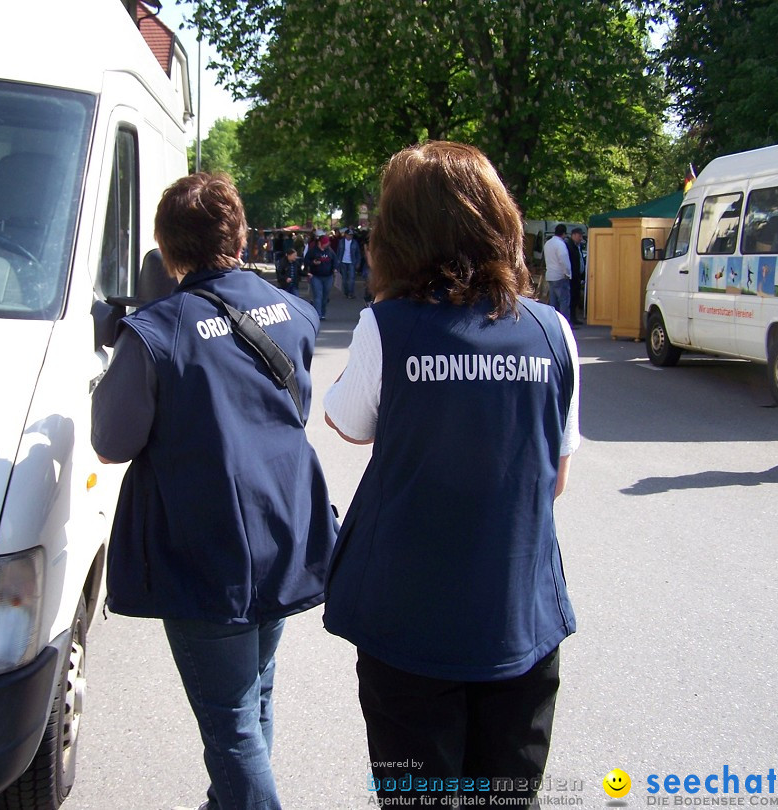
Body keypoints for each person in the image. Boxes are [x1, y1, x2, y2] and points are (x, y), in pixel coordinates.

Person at [322, 141, 580, 810]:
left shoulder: (387, 327)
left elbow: (348, 423)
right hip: (516, 622)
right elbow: (555, 478)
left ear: (400, 233)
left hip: (408, 629)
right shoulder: (553, 331)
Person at [91, 172, 337, 810]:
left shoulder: (157, 331)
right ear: (241, 234)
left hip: (210, 547)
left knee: (231, 724)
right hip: (286, 525)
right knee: (254, 696)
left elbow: (112, 441)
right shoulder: (293, 309)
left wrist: (122, 345)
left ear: (166, 249)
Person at [306, 231, 337, 319]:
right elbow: (306, 261)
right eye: (325, 243)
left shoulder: (330, 251)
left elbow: (335, 260)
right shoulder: (313, 251)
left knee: (325, 296)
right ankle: (318, 314)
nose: (327, 245)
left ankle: (323, 313)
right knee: (318, 295)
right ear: (320, 243)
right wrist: (313, 262)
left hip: (328, 276)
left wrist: (335, 268)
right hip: (316, 276)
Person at [543, 223, 572, 320]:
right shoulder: (560, 244)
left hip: (550, 275)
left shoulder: (548, 243)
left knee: (553, 302)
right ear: (564, 233)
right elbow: (563, 260)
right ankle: (565, 322)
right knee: (564, 301)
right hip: (560, 276)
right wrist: (568, 273)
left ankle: (552, 322)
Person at [337, 227, 363, 300]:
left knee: (352, 278)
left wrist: (358, 262)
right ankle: (346, 292)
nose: (350, 236)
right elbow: (338, 252)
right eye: (349, 235)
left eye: (351, 235)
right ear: (345, 235)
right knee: (344, 279)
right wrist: (337, 262)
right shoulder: (341, 242)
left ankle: (350, 293)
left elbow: (358, 253)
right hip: (343, 262)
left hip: (352, 262)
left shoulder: (355, 243)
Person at [566, 227, 585, 326]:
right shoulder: (569, 246)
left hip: (577, 276)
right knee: (572, 297)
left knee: (576, 297)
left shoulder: (578, 246)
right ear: (573, 235)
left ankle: (574, 317)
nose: (581, 238)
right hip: (572, 276)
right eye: (579, 235)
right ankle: (571, 318)